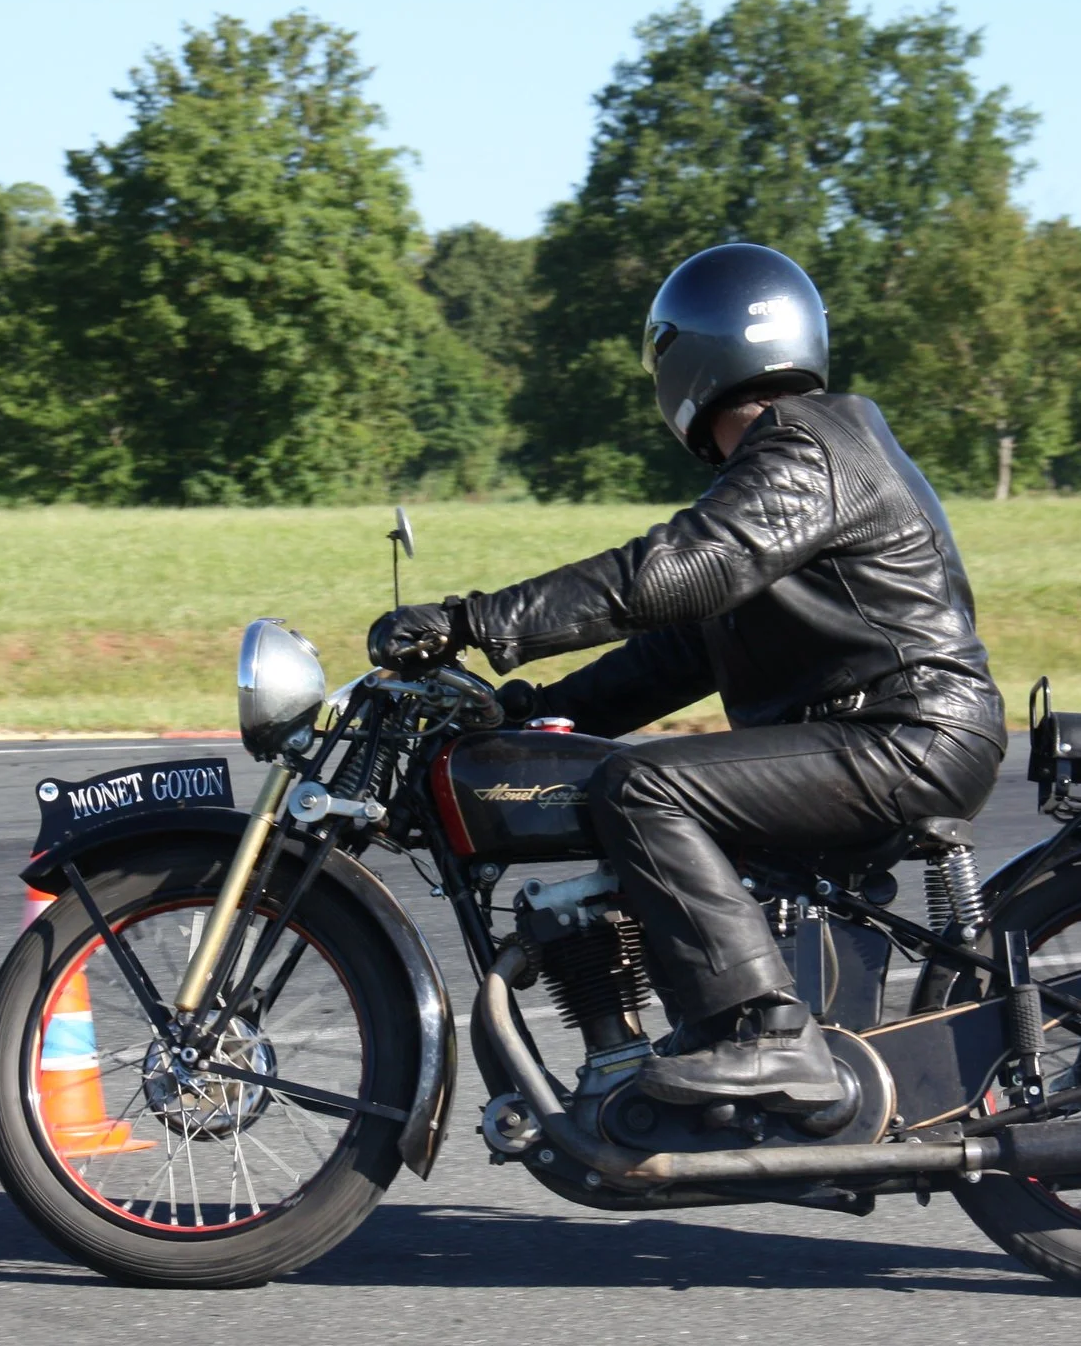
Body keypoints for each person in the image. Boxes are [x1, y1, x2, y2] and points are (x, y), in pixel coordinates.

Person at [368, 243, 1006, 1110]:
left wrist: (474, 622)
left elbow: (673, 571)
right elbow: (678, 653)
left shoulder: (807, 444)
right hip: (886, 731)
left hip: (904, 736)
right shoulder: (802, 453)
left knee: (640, 787)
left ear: (690, 358)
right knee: (618, 774)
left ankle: (766, 1034)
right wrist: (531, 715)